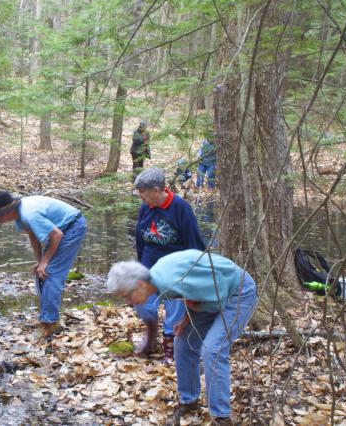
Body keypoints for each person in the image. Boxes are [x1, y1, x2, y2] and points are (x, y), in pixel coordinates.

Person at [107, 252, 257, 426]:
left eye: (127, 296)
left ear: (140, 284)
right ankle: (189, 401)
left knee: (213, 349)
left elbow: (215, 296)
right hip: (215, 294)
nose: (127, 302)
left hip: (237, 292)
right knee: (183, 342)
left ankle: (221, 417)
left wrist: (195, 307)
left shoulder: (167, 282)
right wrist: (186, 319)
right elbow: (198, 292)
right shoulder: (158, 281)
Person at [0, 191, 87, 339]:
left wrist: (45, 262)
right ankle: (46, 318)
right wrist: (39, 261)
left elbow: (57, 235)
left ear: (6, 212)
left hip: (72, 226)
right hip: (61, 229)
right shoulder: (20, 217)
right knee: (41, 272)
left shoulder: (30, 214)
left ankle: (51, 323)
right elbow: (33, 236)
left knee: (50, 273)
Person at [133, 167, 205, 363]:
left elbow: (194, 243)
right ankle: (151, 334)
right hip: (149, 268)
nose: (140, 196)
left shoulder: (180, 208)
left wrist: (193, 274)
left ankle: (170, 350)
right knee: (141, 303)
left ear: (157, 190)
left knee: (174, 310)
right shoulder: (145, 208)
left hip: (175, 272)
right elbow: (140, 239)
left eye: (143, 192)